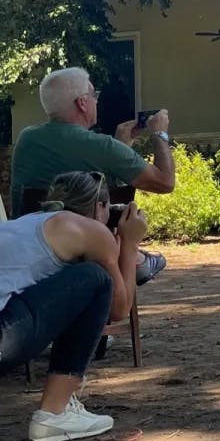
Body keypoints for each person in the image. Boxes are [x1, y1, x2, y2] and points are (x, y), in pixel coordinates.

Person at [0, 171, 145, 441]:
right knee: (96, 279)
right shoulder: (90, 230)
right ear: (100, 207)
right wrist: (130, 243)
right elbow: (119, 308)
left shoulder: (25, 224)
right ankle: (54, 413)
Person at [10, 67, 172, 284]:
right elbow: (165, 182)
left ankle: (139, 261)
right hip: (89, 256)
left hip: (33, 252)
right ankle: (137, 261)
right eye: (93, 95)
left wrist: (120, 144)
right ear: (82, 103)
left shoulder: (26, 139)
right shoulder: (102, 147)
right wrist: (159, 134)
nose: (97, 101)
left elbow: (77, 167)